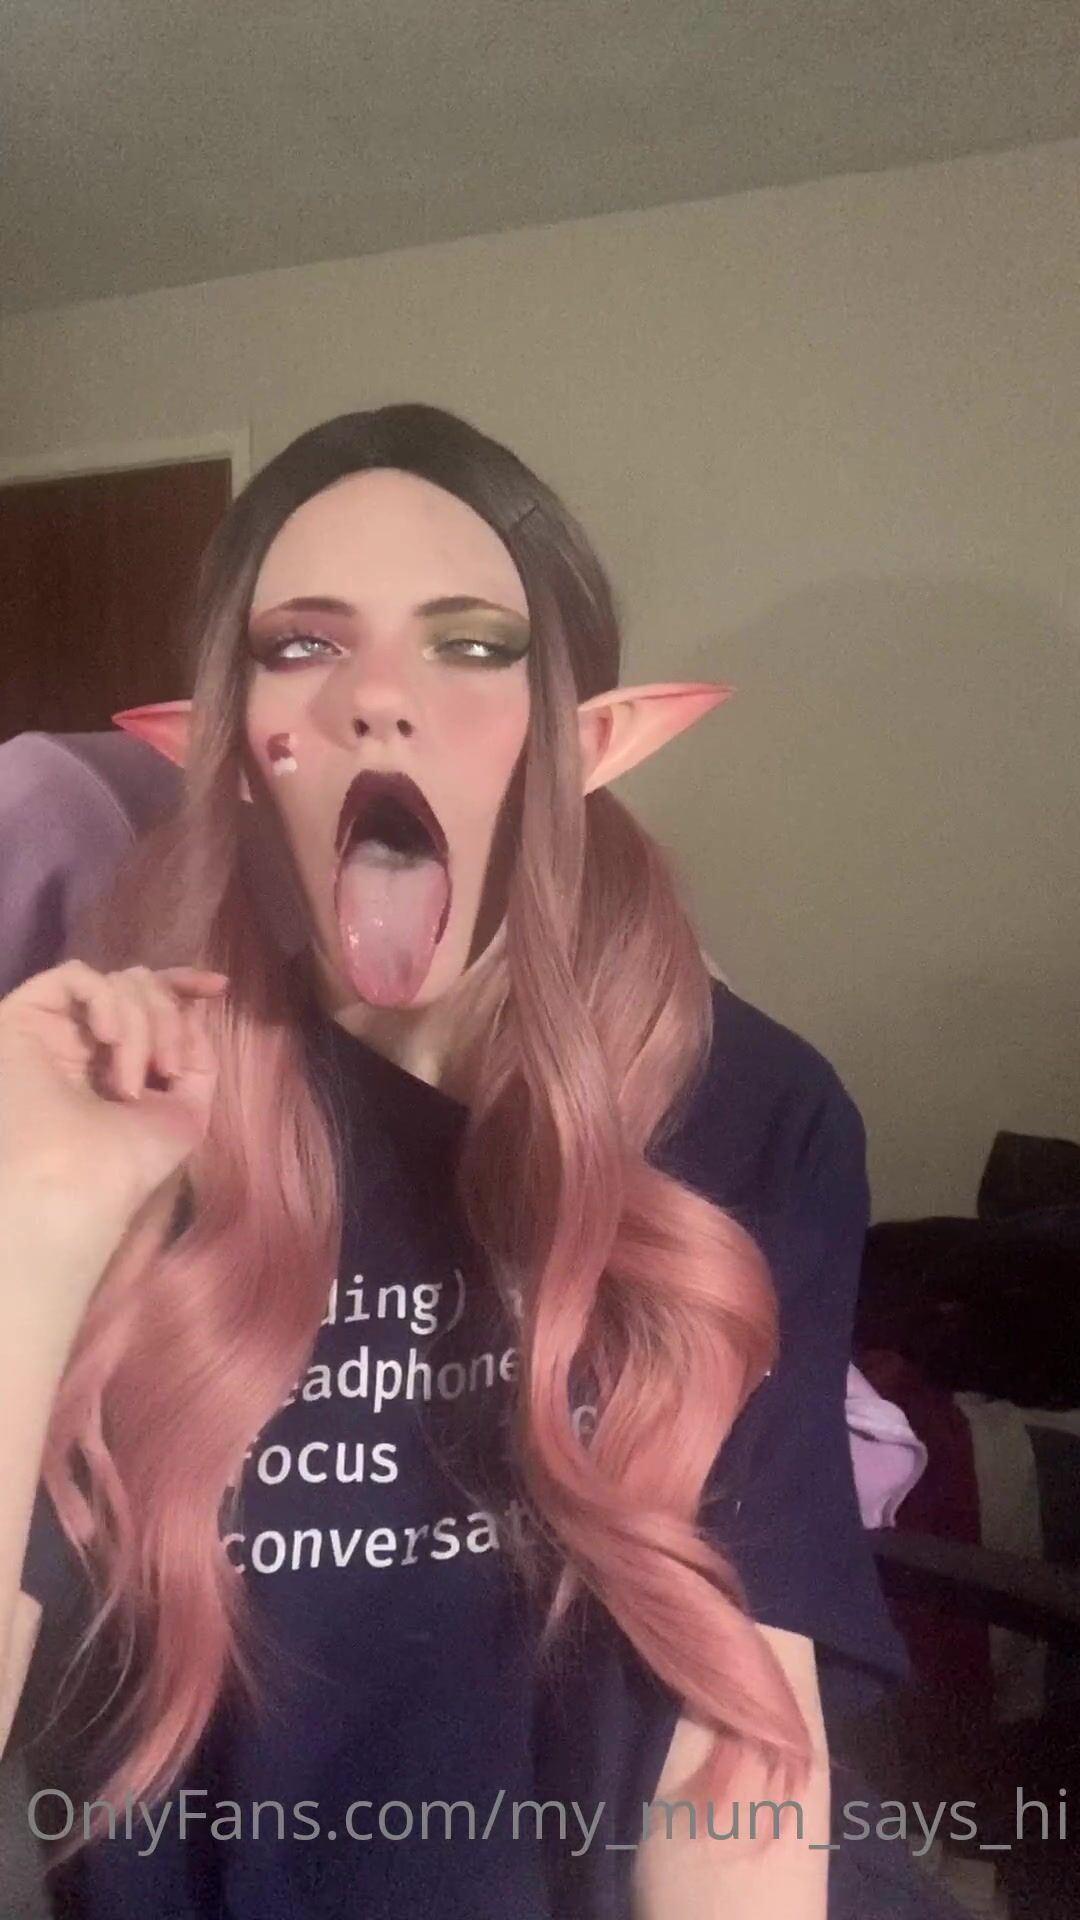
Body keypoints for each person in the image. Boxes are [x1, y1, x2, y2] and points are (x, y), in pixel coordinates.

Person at [0, 404, 955, 1920]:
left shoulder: (751, 1110)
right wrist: (36, 1224)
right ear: (226, 751)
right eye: (302, 646)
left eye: (471, 644)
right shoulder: (119, 1109)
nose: (381, 697)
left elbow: (740, 1759)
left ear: (589, 742)